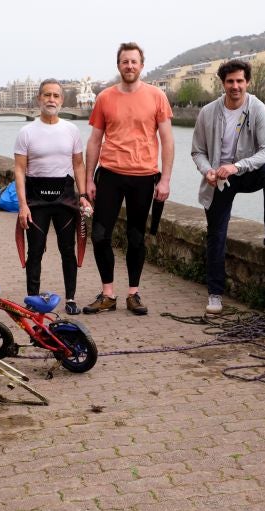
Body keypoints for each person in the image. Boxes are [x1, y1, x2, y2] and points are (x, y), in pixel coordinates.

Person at [191, 59, 265, 316]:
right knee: (216, 235)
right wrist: (207, 170)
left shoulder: (258, 108)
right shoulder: (208, 112)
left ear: (247, 82)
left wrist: (237, 166)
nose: (235, 86)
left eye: (240, 81)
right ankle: (215, 294)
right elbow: (197, 150)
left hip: (245, 172)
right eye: (230, 81)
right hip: (218, 179)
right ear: (223, 84)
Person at [83, 42, 174, 316]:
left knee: (136, 238)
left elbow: (168, 141)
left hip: (144, 177)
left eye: (134, 62)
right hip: (110, 174)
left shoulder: (157, 96)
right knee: (99, 235)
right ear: (119, 65)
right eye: (125, 62)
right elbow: (94, 141)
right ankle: (108, 293)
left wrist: (165, 179)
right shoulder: (105, 98)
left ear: (141, 65)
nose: (130, 66)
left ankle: (133, 294)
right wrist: (89, 179)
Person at [15, 79, 92, 315]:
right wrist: (22, 205)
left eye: (56, 96)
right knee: (35, 251)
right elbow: (19, 169)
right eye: (47, 95)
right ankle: (33, 299)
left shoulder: (71, 130)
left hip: (65, 198)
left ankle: (70, 298)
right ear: (39, 99)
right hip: (36, 198)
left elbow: (78, 164)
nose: (51, 99)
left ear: (62, 100)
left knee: (67, 250)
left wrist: (83, 195)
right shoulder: (26, 131)